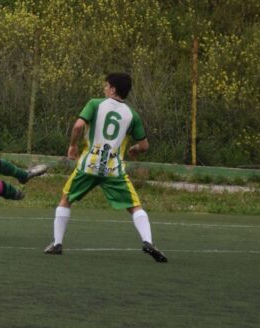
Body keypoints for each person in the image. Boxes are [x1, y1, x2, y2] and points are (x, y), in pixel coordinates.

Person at [44, 73, 168, 262]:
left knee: (66, 199)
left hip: (89, 165)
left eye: (106, 85)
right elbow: (144, 146)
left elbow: (78, 127)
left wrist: (72, 146)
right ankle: (148, 241)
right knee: (135, 206)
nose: (104, 88)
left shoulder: (95, 104)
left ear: (112, 89)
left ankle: (57, 243)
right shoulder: (132, 114)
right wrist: (134, 149)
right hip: (113, 169)